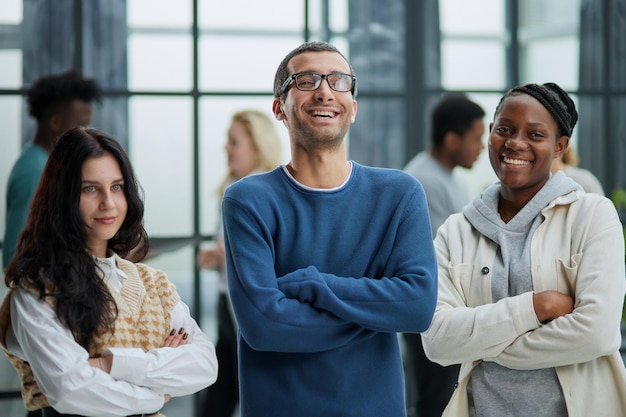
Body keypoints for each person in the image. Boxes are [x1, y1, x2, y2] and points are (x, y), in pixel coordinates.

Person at [221, 41, 438, 417]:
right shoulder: (247, 200)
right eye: (305, 81)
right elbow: (265, 325)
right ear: (279, 108)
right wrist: (376, 313)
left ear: (352, 108)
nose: (324, 90)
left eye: (339, 81)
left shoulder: (399, 194)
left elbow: (417, 306)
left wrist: (311, 285)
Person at [421, 82, 626, 416]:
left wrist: (485, 345)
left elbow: (596, 334)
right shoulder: (456, 231)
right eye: (505, 129)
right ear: (490, 132)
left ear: (560, 146)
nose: (515, 143)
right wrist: (535, 306)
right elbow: (437, 341)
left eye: (535, 135)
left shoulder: (592, 216)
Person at [0, 127, 218, 416]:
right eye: (90, 188)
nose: (108, 203)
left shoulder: (154, 284)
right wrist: (156, 392)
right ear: (62, 197)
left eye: (116, 187)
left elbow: (205, 365)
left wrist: (107, 364)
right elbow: (70, 390)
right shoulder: (37, 290)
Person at [402, 93, 485, 417]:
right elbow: (448, 252)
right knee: (436, 401)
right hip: (430, 309)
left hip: (444, 307)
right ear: (452, 140)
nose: (481, 147)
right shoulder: (423, 181)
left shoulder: (450, 179)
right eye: (476, 138)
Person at [198, 109, 283, 417]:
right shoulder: (232, 188)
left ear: (257, 147)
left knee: (241, 398)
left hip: (251, 313)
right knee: (221, 396)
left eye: (234, 142)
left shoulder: (271, 193)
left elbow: (282, 259)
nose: (226, 148)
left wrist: (231, 255)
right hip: (228, 309)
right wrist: (217, 257)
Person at [3, 70, 102, 270]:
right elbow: (14, 258)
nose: (89, 133)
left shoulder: (52, 165)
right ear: (55, 123)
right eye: (82, 125)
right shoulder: (36, 171)